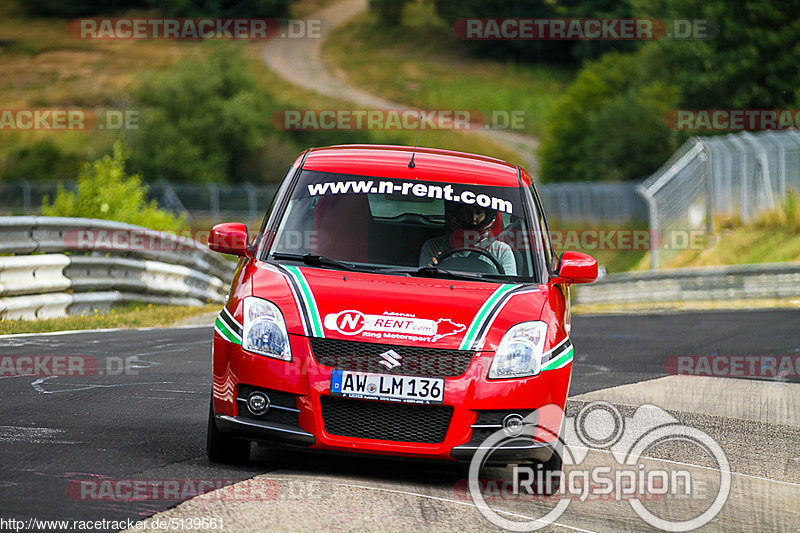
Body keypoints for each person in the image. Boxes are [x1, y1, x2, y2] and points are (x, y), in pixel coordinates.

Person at [419, 201, 516, 275]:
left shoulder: (502, 251)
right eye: (467, 212)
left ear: (487, 217)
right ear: (458, 214)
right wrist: (431, 270)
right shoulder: (433, 246)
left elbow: (508, 286)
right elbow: (426, 283)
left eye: (479, 213)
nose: (473, 218)